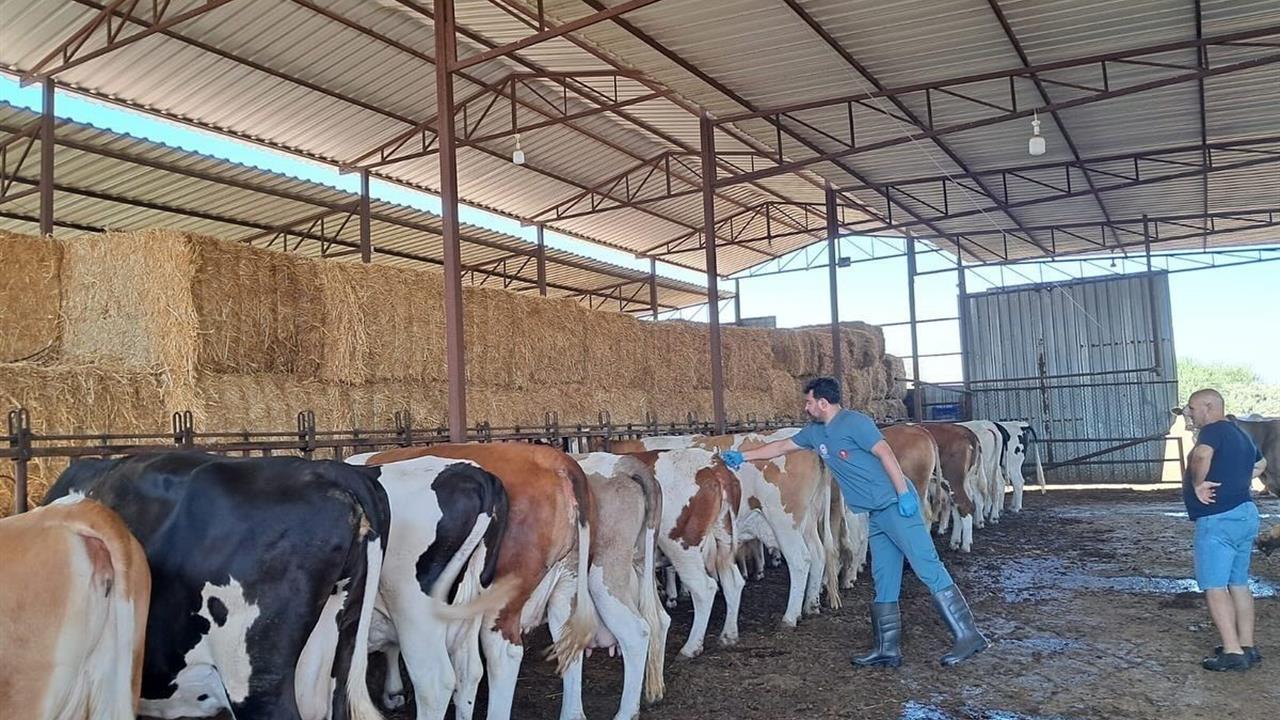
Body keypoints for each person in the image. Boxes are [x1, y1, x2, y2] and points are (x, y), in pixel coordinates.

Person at [721, 377, 987, 667]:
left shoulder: (855, 423)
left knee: (927, 566)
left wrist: (903, 494)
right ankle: (887, 648)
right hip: (876, 511)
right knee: (884, 577)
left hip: (895, 504)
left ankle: (969, 635)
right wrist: (743, 456)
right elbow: (782, 447)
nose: (806, 407)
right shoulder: (815, 432)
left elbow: (885, 453)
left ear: (823, 403)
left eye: (809, 402)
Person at [1181, 388, 1267, 672]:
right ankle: (1247, 645)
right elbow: (1261, 464)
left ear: (1208, 407)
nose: (1189, 413)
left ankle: (1232, 651)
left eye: (1192, 408)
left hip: (1218, 519)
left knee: (1215, 586)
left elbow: (1201, 456)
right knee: (1239, 583)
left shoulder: (1212, 431)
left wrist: (1198, 484)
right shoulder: (1240, 433)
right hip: (1244, 514)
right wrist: (1237, 478)